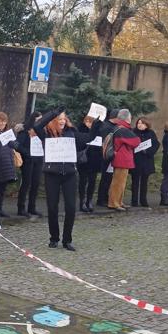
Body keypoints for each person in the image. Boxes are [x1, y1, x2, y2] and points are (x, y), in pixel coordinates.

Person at [33, 106, 98, 251]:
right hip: (52, 174)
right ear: (54, 121)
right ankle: (54, 238)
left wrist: (97, 123)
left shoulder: (72, 133)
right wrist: (53, 113)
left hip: (69, 174)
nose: (62, 121)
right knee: (52, 207)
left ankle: (67, 240)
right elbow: (37, 125)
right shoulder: (47, 134)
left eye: (64, 118)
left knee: (70, 208)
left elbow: (89, 138)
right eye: (59, 119)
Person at [107, 108, 140, 211]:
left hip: (121, 158)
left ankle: (119, 201)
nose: (131, 118)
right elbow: (136, 141)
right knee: (118, 182)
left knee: (121, 182)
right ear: (127, 118)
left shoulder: (118, 128)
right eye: (130, 116)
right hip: (122, 159)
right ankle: (114, 203)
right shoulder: (123, 129)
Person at [16, 111, 43, 218]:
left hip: (38, 160)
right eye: (37, 119)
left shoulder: (42, 131)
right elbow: (18, 145)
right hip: (28, 160)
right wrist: (28, 153)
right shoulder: (24, 131)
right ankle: (21, 208)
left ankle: (32, 207)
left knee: (35, 184)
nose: (39, 122)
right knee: (26, 183)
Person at [94, 107, 120, 208]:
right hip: (106, 156)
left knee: (108, 178)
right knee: (105, 178)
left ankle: (104, 198)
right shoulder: (107, 127)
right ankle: (101, 199)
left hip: (109, 155)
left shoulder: (111, 126)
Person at [129, 117, 158, 207]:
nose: (140, 125)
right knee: (135, 181)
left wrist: (147, 151)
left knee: (144, 181)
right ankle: (134, 201)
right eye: (138, 123)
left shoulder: (151, 133)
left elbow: (155, 144)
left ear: (146, 125)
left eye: (142, 123)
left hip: (146, 160)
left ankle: (143, 200)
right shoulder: (133, 132)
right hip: (136, 160)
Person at [77, 115, 100, 213]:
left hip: (95, 159)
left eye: (91, 122)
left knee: (92, 181)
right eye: (87, 121)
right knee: (83, 181)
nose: (89, 124)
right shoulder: (80, 130)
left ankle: (89, 200)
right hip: (84, 159)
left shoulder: (98, 130)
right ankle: (82, 201)